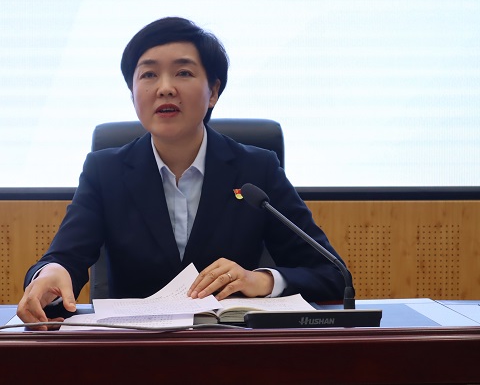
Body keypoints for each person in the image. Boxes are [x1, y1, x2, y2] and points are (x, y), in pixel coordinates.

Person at [17, 17, 346, 327]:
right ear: (132, 94)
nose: (165, 88)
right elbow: (65, 257)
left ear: (213, 91)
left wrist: (260, 280)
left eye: (183, 73)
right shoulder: (105, 171)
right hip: (134, 349)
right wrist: (51, 274)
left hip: (230, 348)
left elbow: (331, 273)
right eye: (148, 75)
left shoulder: (256, 170)